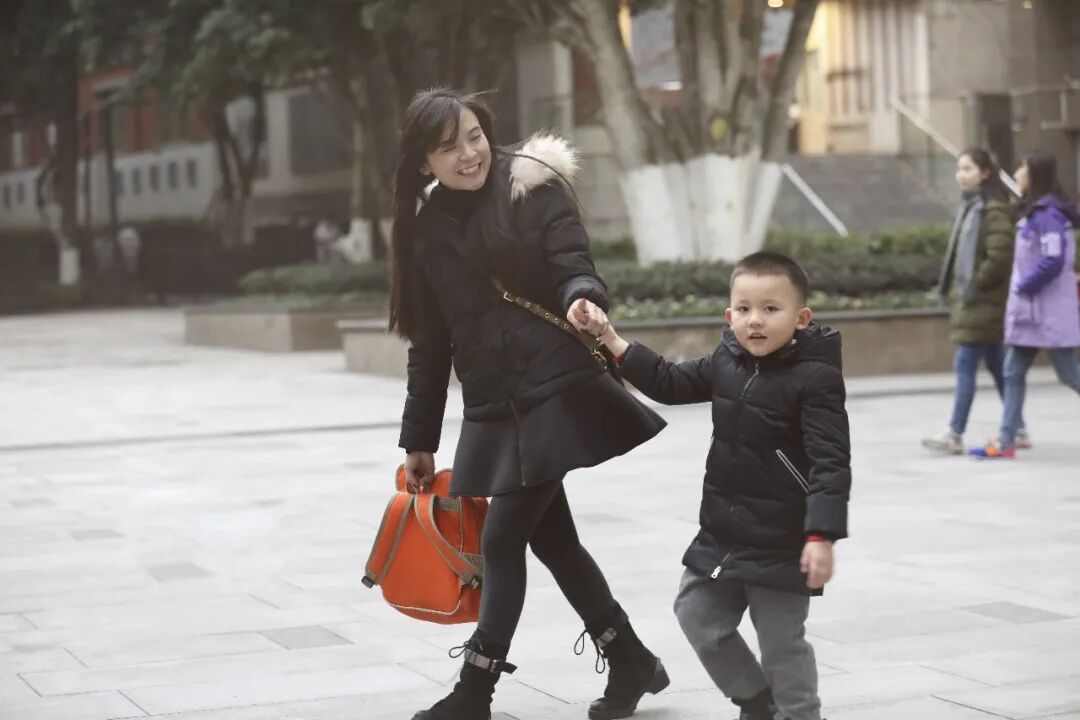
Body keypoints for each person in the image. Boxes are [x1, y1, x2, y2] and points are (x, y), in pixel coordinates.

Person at [390, 88, 669, 720]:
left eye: (474, 136)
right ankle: (631, 659)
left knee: (503, 536)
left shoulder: (531, 187)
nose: (469, 154)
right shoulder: (426, 231)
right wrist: (419, 438)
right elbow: (429, 343)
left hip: (555, 386)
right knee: (555, 541)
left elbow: (573, 263)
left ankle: (475, 691)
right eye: (449, 147)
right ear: (423, 162)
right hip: (496, 401)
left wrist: (582, 298)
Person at [572, 252, 851, 720]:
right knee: (696, 613)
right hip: (724, 532)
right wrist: (611, 340)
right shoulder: (727, 361)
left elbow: (831, 463)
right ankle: (758, 703)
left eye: (770, 308)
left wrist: (821, 535)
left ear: (801, 318)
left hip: (784, 540)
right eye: (744, 308)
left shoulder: (816, 379)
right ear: (729, 315)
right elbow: (669, 382)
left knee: (781, 644)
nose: (755, 320)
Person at [970, 151, 1080, 459]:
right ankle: (1006, 441)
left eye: (1021, 169)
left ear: (1035, 175)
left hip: (1046, 311)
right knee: (1012, 372)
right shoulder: (1034, 211)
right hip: (1030, 314)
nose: (1016, 174)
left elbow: (1053, 260)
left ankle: (1006, 440)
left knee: (1070, 375)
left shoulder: (1048, 215)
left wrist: (1023, 286)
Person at [922, 148, 1025, 455]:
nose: (961, 175)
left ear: (985, 173)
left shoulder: (993, 211)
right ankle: (1018, 428)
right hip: (977, 303)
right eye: (959, 169)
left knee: (965, 364)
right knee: (997, 366)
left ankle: (955, 433)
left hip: (982, 303)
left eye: (968, 169)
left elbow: (1000, 256)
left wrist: (975, 285)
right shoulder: (972, 207)